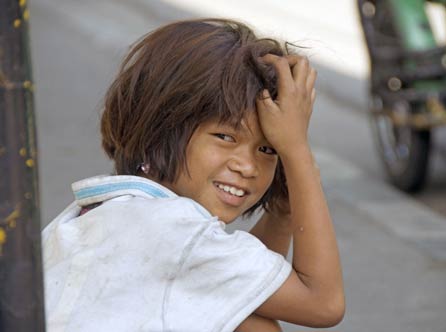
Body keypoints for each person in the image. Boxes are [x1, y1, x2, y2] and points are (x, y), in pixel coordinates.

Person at [42, 18, 345, 331]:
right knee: (254, 326)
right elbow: (322, 303)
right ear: (161, 128)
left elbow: (247, 286)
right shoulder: (173, 231)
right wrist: (298, 153)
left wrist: (283, 212)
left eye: (269, 150)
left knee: (242, 310)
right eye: (225, 137)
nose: (247, 166)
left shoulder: (110, 213)